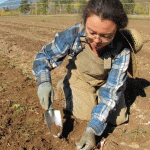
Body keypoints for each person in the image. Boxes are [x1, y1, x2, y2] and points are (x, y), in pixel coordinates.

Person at [32, 0, 143, 149]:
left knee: (118, 119)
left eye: (106, 36)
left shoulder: (122, 50)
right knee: (85, 115)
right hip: (82, 77)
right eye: (92, 32)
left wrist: (92, 130)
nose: (97, 40)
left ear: (116, 31)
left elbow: (110, 93)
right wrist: (44, 82)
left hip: (107, 81)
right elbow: (44, 57)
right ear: (85, 23)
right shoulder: (74, 34)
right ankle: (65, 86)